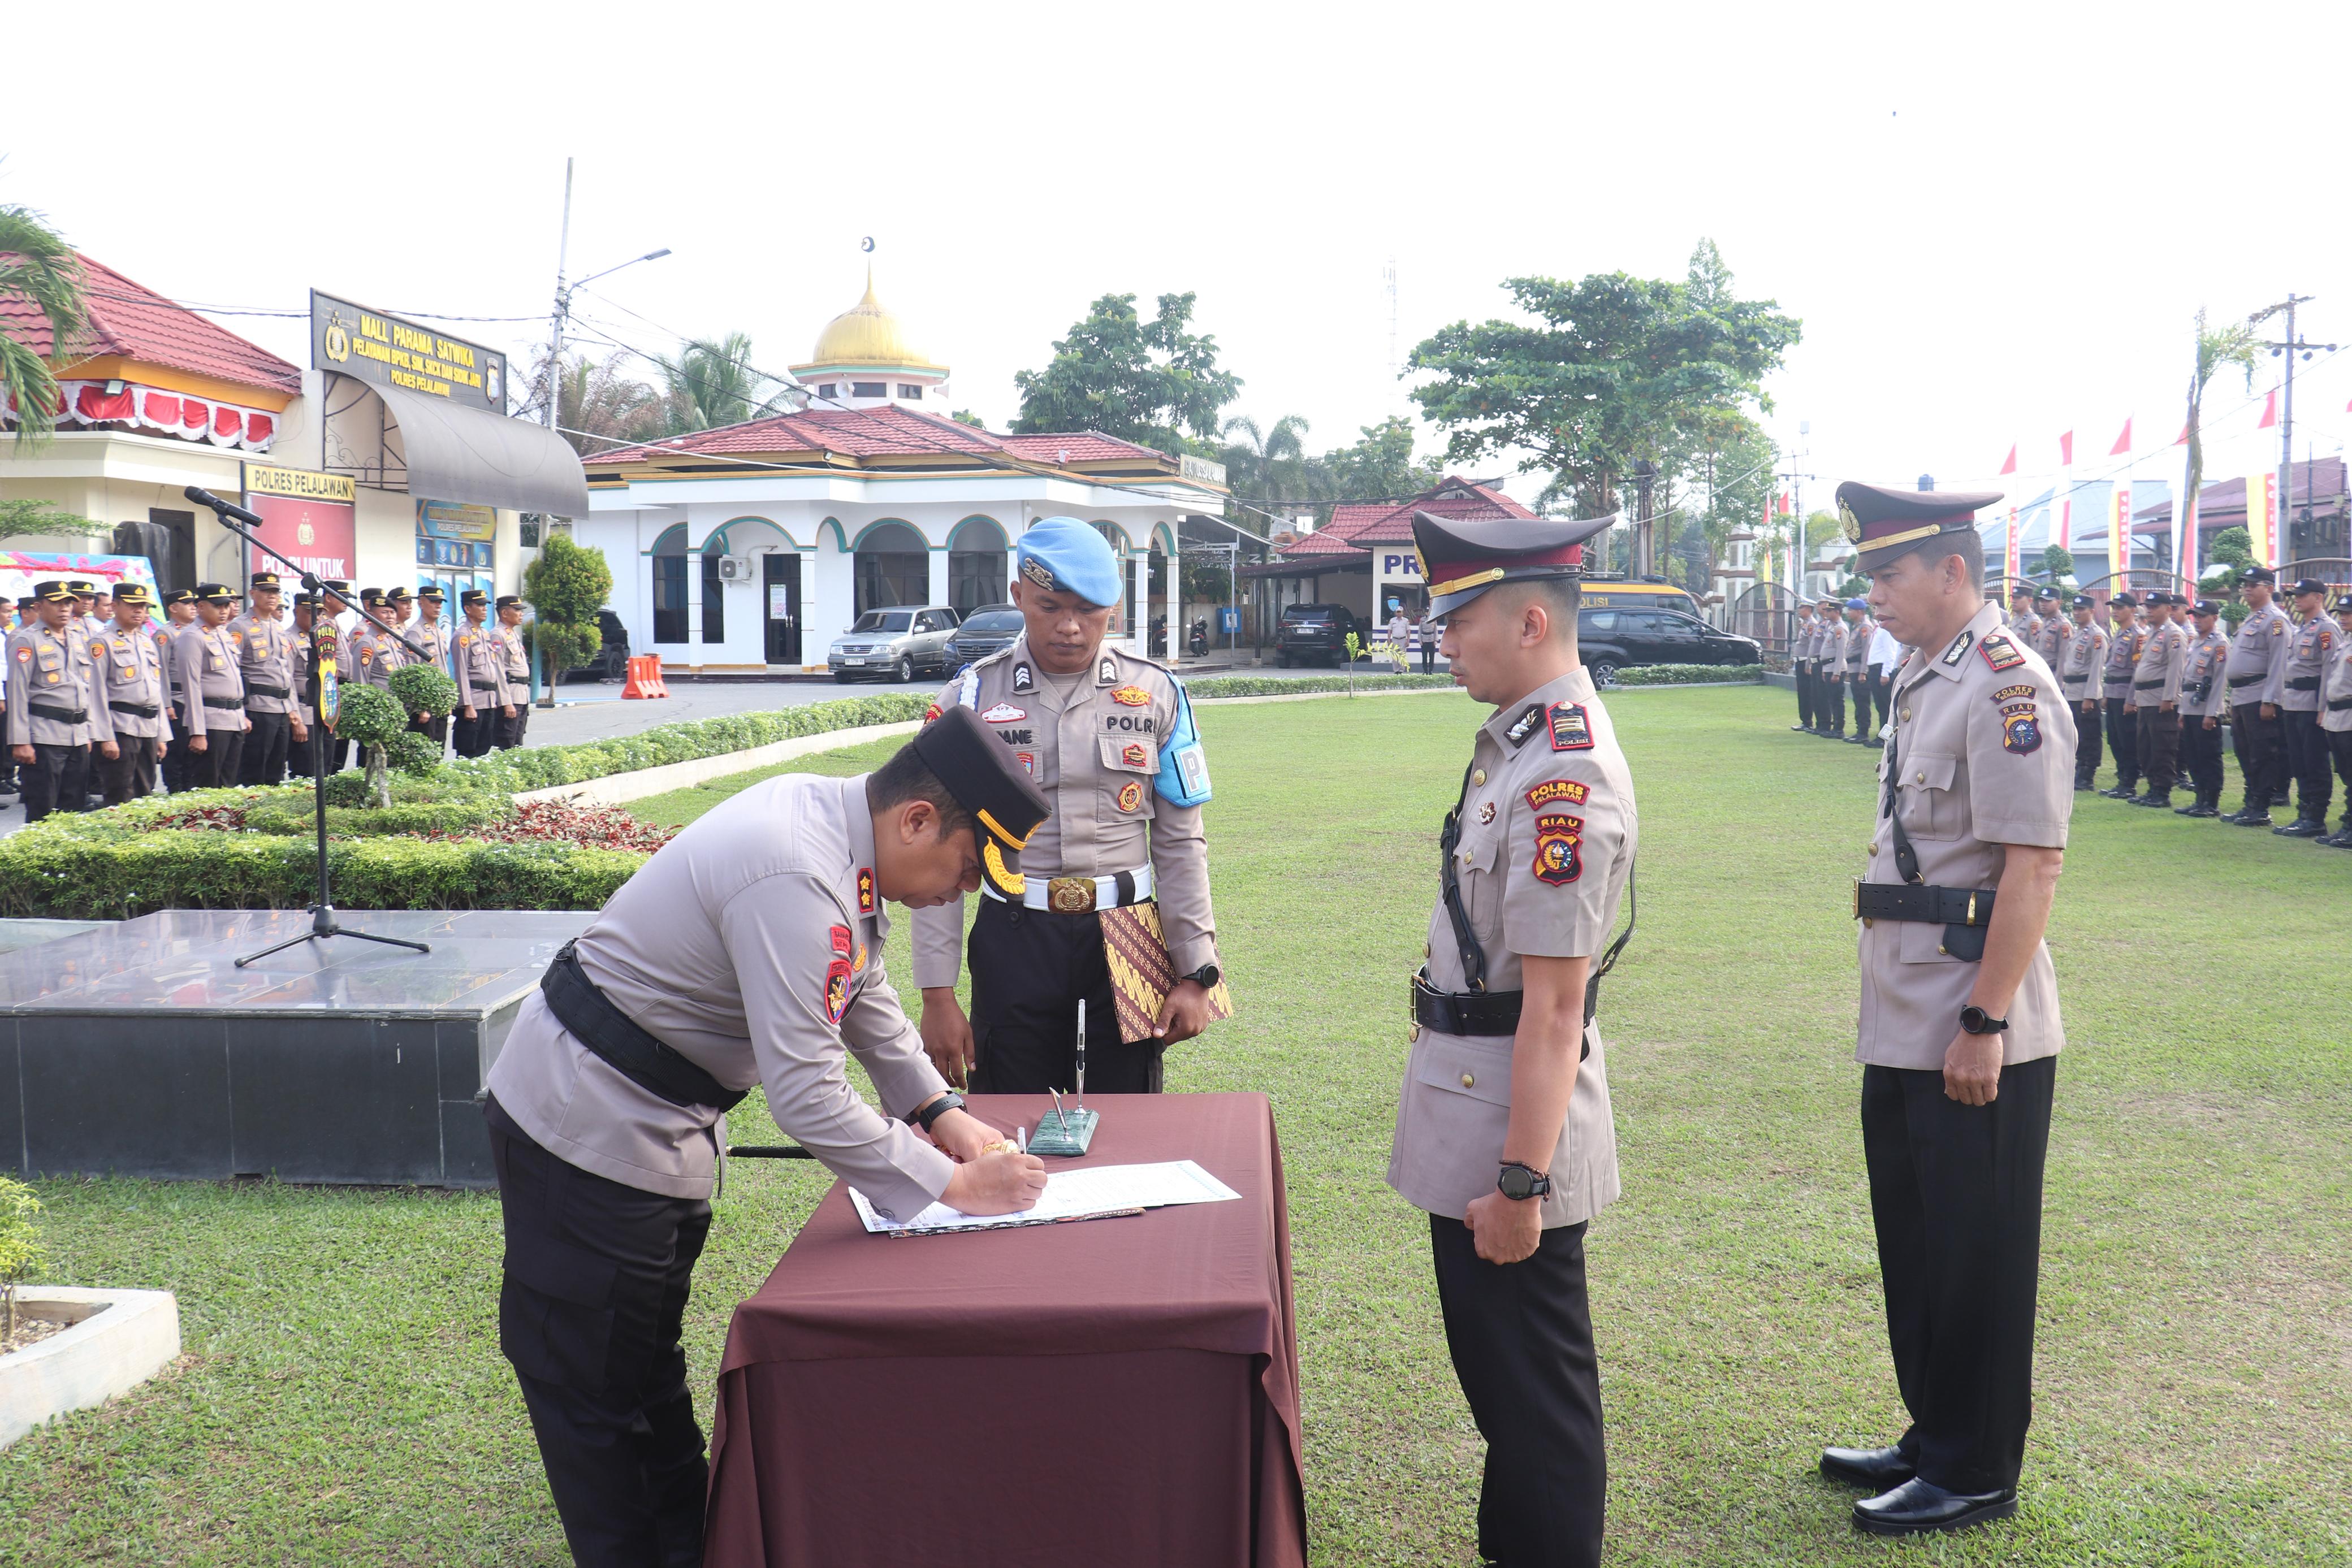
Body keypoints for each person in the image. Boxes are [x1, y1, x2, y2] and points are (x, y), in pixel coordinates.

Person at [482, 707, 1051, 1568]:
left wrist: (940, 1110)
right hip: (585, 1123)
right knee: (594, 1389)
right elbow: (808, 1095)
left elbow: (860, 989)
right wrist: (951, 1186)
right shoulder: (798, 868)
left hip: (656, 1121)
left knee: (643, 1364)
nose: (960, 891)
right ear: (917, 820)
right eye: (968, 868)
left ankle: (693, 1545)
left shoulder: (839, 837)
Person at [1827, 480, 2073, 1537]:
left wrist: (1985, 1022)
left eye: (1889, 573)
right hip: (1908, 1004)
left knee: (1977, 1247)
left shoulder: (2007, 684)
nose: (1874, 592)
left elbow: (2035, 864)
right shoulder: (1929, 676)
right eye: (1872, 575)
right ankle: (1935, 1430)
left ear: (1953, 571)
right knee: (1919, 1235)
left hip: (1974, 1021)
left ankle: (1977, 1465)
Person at [1388, 506, 1632, 1568]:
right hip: (1475, 1104)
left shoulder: (1561, 773)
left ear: (1530, 619)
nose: (1443, 640)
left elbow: (1555, 1007)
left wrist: (1522, 1183)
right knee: (1506, 1388)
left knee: (1536, 1398)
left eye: (1458, 619)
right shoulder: (1521, 741)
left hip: (1508, 1133)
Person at [913, 517, 1222, 1094]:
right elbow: (933, 853)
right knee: (1007, 1113)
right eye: (1049, 606)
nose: (1070, 627)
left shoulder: (1157, 695)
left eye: (1089, 610)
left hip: (1128, 933)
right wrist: (936, 993)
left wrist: (1196, 971)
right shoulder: (970, 700)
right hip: (1014, 933)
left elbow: (1180, 843)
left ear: (1116, 608)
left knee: (1126, 1115)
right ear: (1017, 598)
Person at [6, 580, 110, 821]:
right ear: (39, 606)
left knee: (73, 810)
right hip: (44, 736)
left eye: (67, 603)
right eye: (56, 603)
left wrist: (88, 733)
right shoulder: (27, 640)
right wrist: (20, 741)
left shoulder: (76, 638)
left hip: (77, 736)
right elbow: (18, 693)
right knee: (42, 810)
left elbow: (86, 689)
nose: (64, 608)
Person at [2220, 565, 2289, 825]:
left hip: (2259, 695)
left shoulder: (2275, 620)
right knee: (2244, 751)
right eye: (2244, 585)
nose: (2246, 589)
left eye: (2253, 585)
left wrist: (2270, 700)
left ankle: (2260, 807)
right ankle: (2250, 803)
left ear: (2269, 589)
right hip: (2241, 696)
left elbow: (2279, 663)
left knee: (2262, 753)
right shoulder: (2252, 618)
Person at [2269, 578, 2337, 837]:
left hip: (2311, 705)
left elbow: (2329, 671)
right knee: (2298, 762)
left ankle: (2316, 818)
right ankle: (2303, 814)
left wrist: (2323, 709)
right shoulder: (2301, 628)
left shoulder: (2326, 629)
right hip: (2293, 703)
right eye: (2294, 594)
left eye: (2302, 595)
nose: (2296, 599)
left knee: (2314, 762)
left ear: (2318, 598)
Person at [89, 583, 168, 804]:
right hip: (121, 728)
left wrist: (162, 735)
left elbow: (156, 690)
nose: (139, 611)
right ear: (115, 606)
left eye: (143, 606)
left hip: (149, 728)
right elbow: (96, 694)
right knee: (120, 794)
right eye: (133, 605)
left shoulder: (146, 642)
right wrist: (105, 737)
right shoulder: (102, 642)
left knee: (145, 793)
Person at [228, 572, 305, 786]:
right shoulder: (239, 626)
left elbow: (286, 672)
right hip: (258, 707)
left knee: (276, 772)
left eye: (275, 592)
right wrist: (240, 712)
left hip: (282, 708)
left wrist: (293, 710)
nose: (272, 596)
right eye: (266, 591)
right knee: (254, 771)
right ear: (253, 593)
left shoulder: (278, 627)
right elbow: (234, 669)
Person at [173, 583, 251, 788]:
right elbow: (191, 687)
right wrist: (197, 732)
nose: (224, 610)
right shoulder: (192, 637)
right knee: (208, 786)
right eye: (218, 606)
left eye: (227, 605)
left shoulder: (224, 634)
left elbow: (233, 680)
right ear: (201, 607)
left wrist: (242, 714)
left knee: (229, 785)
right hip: (212, 722)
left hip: (233, 719)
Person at [2128, 591, 2187, 808]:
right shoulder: (2152, 633)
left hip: (2160, 700)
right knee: (2146, 747)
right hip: (2145, 699)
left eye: (2154, 607)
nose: (2149, 610)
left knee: (2163, 747)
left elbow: (2176, 669)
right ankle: (2153, 788)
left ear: (2167, 609)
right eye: (2148, 607)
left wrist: (2169, 698)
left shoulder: (2173, 634)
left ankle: (2162, 792)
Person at [2176, 600, 2232, 818]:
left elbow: (2219, 681)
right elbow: (2187, 680)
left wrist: (2213, 713)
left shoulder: (2219, 643)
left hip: (2206, 708)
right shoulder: (2196, 642)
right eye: (2195, 616)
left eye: (2202, 616)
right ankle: (2199, 798)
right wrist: (2182, 710)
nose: (2197, 620)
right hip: (2190, 706)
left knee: (2209, 756)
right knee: (2193, 755)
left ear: (2215, 618)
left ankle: (2211, 801)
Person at [453, 590, 514, 758]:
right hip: (474, 701)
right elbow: (461, 673)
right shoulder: (462, 636)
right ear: (467, 608)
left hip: (488, 702)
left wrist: (494, 698)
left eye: (485, 605)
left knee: (484, 749)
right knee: (468, 751)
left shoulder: (484, 634)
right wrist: (467, 705)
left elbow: (492, 669)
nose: (484, 609)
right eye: (479, 605)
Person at [2056, 594, 2108, 791]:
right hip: (2071, 691)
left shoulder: (2096, 636)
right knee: (2075, 734)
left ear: (2092, 612)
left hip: (2085, 693)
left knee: (2089, 735)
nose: (2077, 613)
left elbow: (2096, 669)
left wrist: (2090, 697)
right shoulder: (2078, 633)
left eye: (2082, 610)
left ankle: (2088, 775)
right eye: (2075, 610)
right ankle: (2079, 770)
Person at [2096, 592, 2144, 799]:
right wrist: (2106, 694)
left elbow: (2137, 670)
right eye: (2113, 607)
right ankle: (2122, 780)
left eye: (2120, 607)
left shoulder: (2138, 636)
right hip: (2113, 692)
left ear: (2132, 611)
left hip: (2126, 694)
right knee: (2114, 740)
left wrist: (2132, 699)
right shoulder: (2118, 634)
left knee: (2127, 740)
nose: (2115, 611)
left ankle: (2130, 782)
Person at [2320, 593, 2352, 848]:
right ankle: (2347, 826)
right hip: (2337, 717)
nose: (2343, 618)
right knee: (2346, 774)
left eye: (2348, 613)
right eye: (2341, 613)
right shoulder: (2345, 643)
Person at [408, 584, 456, 753]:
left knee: (439, 748)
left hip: (439, 703)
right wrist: (421, 708)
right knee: (424, 751)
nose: (438, 606)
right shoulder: (416, 632)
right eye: (434, 602)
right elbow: (412, 673)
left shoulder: (439, 632)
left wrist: (447, 700)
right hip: (425, 706)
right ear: (421, 603)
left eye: (440, 603)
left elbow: (443, 670)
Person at [494, 596, 533, 749]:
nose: (521, 613)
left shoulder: (512, 634)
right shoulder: (498, 635)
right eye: (517, 610)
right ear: (504, 613)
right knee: (507, 742)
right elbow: (498, 671)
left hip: (521, 695)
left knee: (518, 741)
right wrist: (506, 702)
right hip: (511, 696)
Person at [1813, 595, 1850, 738]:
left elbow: (1841, 651)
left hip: (1836, 668)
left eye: (1829, 611)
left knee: (1836, 700)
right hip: (1828, 667)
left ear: (1837, 612)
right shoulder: (1833, 628)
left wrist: (1836, 672)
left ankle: (1839, 729)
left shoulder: (1840, 628)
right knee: (1831, 699)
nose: (1826, 613)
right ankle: (1835, 727)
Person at [1843, 597, 1875, 743]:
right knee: (1858, 701)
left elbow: (1866, 651)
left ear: (1859, 611)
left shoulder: (1865, 628)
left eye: (1851, 610)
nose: (1848, 613)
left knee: (1862, 702)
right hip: (1854, 669)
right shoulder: (1857, 627)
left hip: (1860, 670)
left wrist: (1863, 671)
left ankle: (1863, 732)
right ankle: (1860, 730)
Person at [1789, 599, 1818, 733]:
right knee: (1802, 692)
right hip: (1800, 662)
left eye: (1802, 608)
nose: (1800, 610)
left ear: (1809, 609)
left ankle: (1808, 722)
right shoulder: (1806, 624)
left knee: (1807, 693)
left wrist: (1809, 664)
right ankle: (1805, 721)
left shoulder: (1812, 624)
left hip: (1805, 662)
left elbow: (1813, 645)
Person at [2030, 587, 2065, 666]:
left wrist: (2059, 678)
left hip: (2052, 673)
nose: (2043, 604)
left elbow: (2063, 657)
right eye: (2041, 601)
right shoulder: (2043, 622)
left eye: (2048, 601)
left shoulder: (2063, 625)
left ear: (2059, 602)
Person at [2005, 582, 2039, 646]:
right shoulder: (2015, 619)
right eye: (2013, 597)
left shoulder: (2033, 622)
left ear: (2030, 600)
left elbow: (2035, 650)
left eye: (2018, 598)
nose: (2014, 601)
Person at [1387, 604, 1414, 673]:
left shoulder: (1406, 621)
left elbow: (1408, 631)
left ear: (1403, 612)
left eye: (1400, 612)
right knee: (1395, 656)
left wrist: (1408, 640)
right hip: (1395, 640)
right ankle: (1396, 670)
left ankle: (1402, 670)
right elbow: (1390, 630)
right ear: (1396, 613)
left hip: (1403, 640)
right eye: (1398, 612)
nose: (1399, 613)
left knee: (1402, 655)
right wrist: (1389, 639)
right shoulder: (1392, 620)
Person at [1420, 602, 1439, 674]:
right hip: (1424, 639)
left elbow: (1435, 630)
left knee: (1432, 657)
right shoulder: (1422, 620)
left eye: (1428, 611)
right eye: (1426, 611)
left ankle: (1431, 670)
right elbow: (1420, 630)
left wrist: (1435, 640)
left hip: (1431, 639)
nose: (1427, 613)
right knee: (1424, 657)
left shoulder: (1434, 619)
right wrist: (1420, 640)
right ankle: (1425, 670)